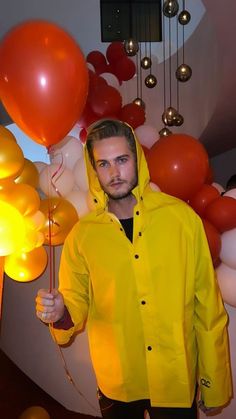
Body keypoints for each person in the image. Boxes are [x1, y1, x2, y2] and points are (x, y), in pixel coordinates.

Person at [36, 119, 232, 419]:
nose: (114, 173)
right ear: (93, 170)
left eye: (122, 160)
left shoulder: (182, 220)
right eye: (103, 164)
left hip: (174, 378)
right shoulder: (83, 235)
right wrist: (61, 312)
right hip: (118, 382)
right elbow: (75, 300)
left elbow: (208, 309)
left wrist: (213, 383)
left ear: (137, 160)